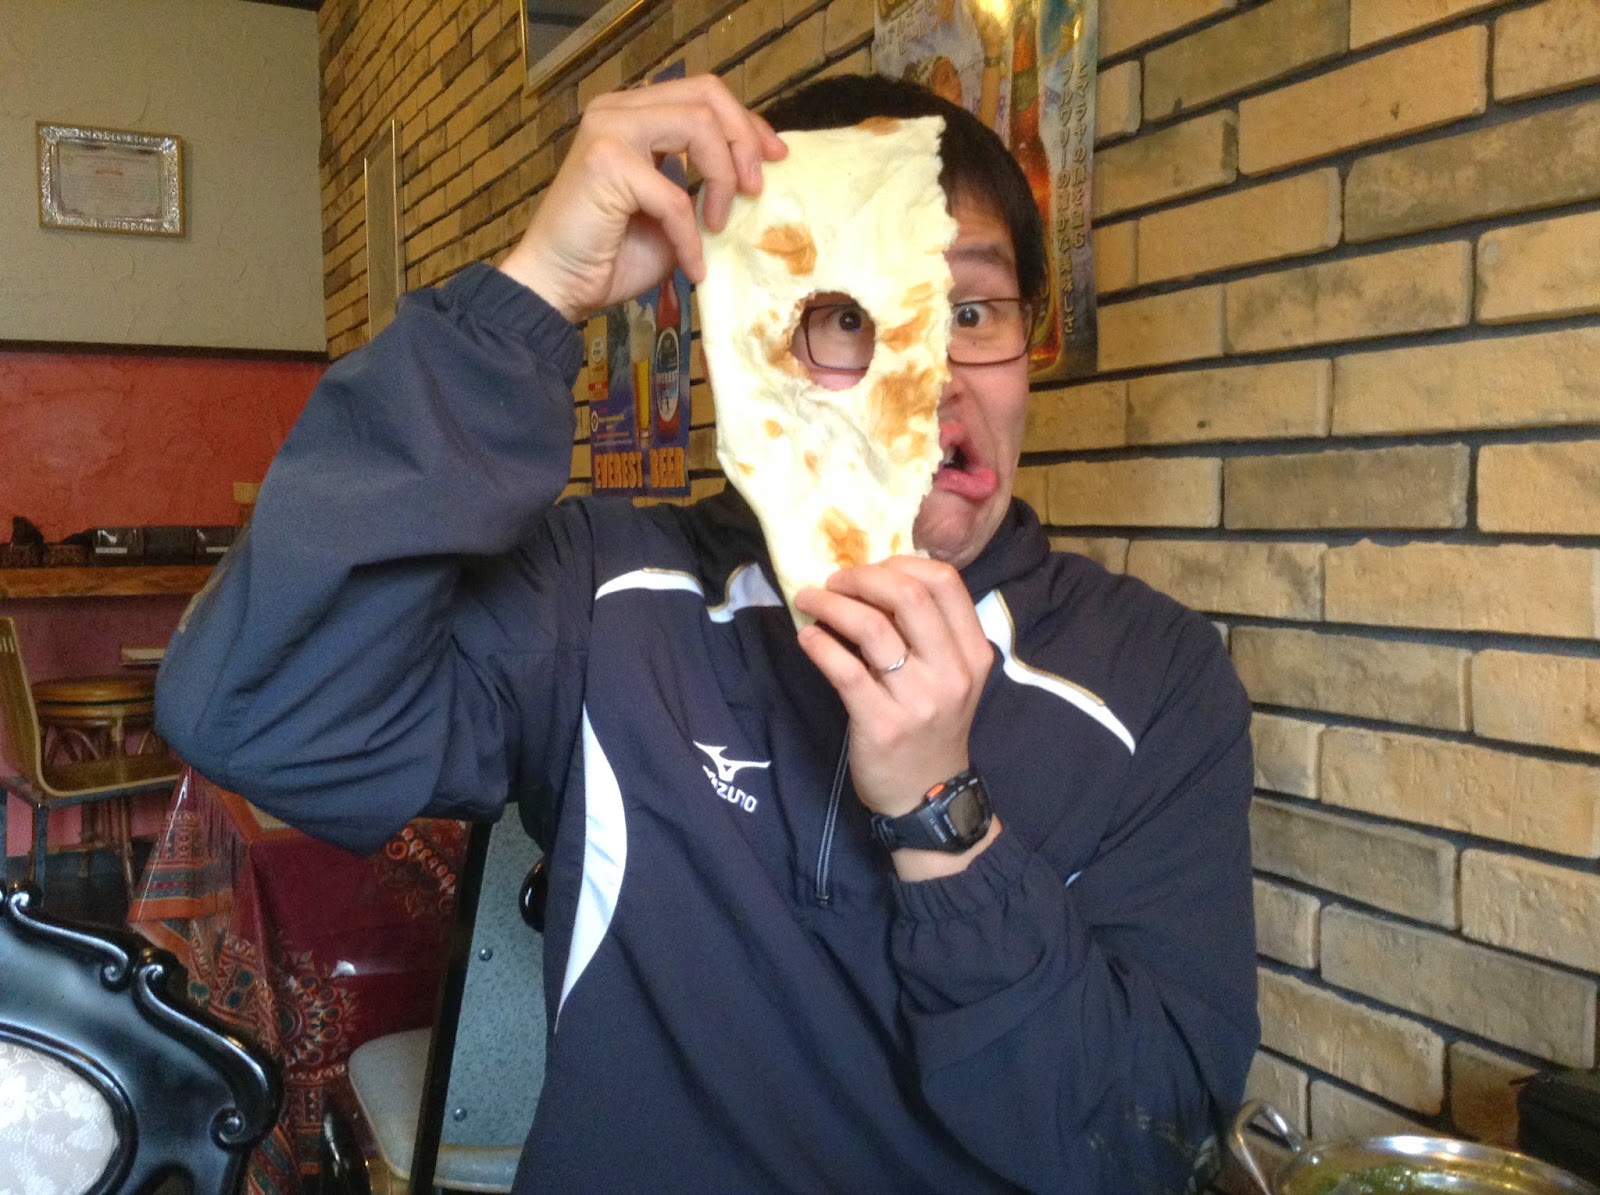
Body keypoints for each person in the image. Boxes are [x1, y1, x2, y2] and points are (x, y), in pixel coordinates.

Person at [155, 72, 1258, 1193]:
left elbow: (1149, 1145)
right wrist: (532, 296)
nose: (927, 379)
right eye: (847, 317)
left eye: (970, 312)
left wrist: (945, 823)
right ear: (754, 343)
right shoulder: (608, 594)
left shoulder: (1156, 675)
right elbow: (258, 712)